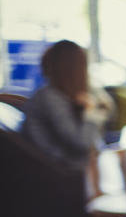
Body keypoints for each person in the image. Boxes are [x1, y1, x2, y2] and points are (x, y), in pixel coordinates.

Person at [21, 40, 110, 174]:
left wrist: (98, 101)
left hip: (62, 169)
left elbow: (107, 106)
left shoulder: (60, 94)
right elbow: (83, 143)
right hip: (55, 173)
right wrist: (91, 112)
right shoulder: (50, 98)